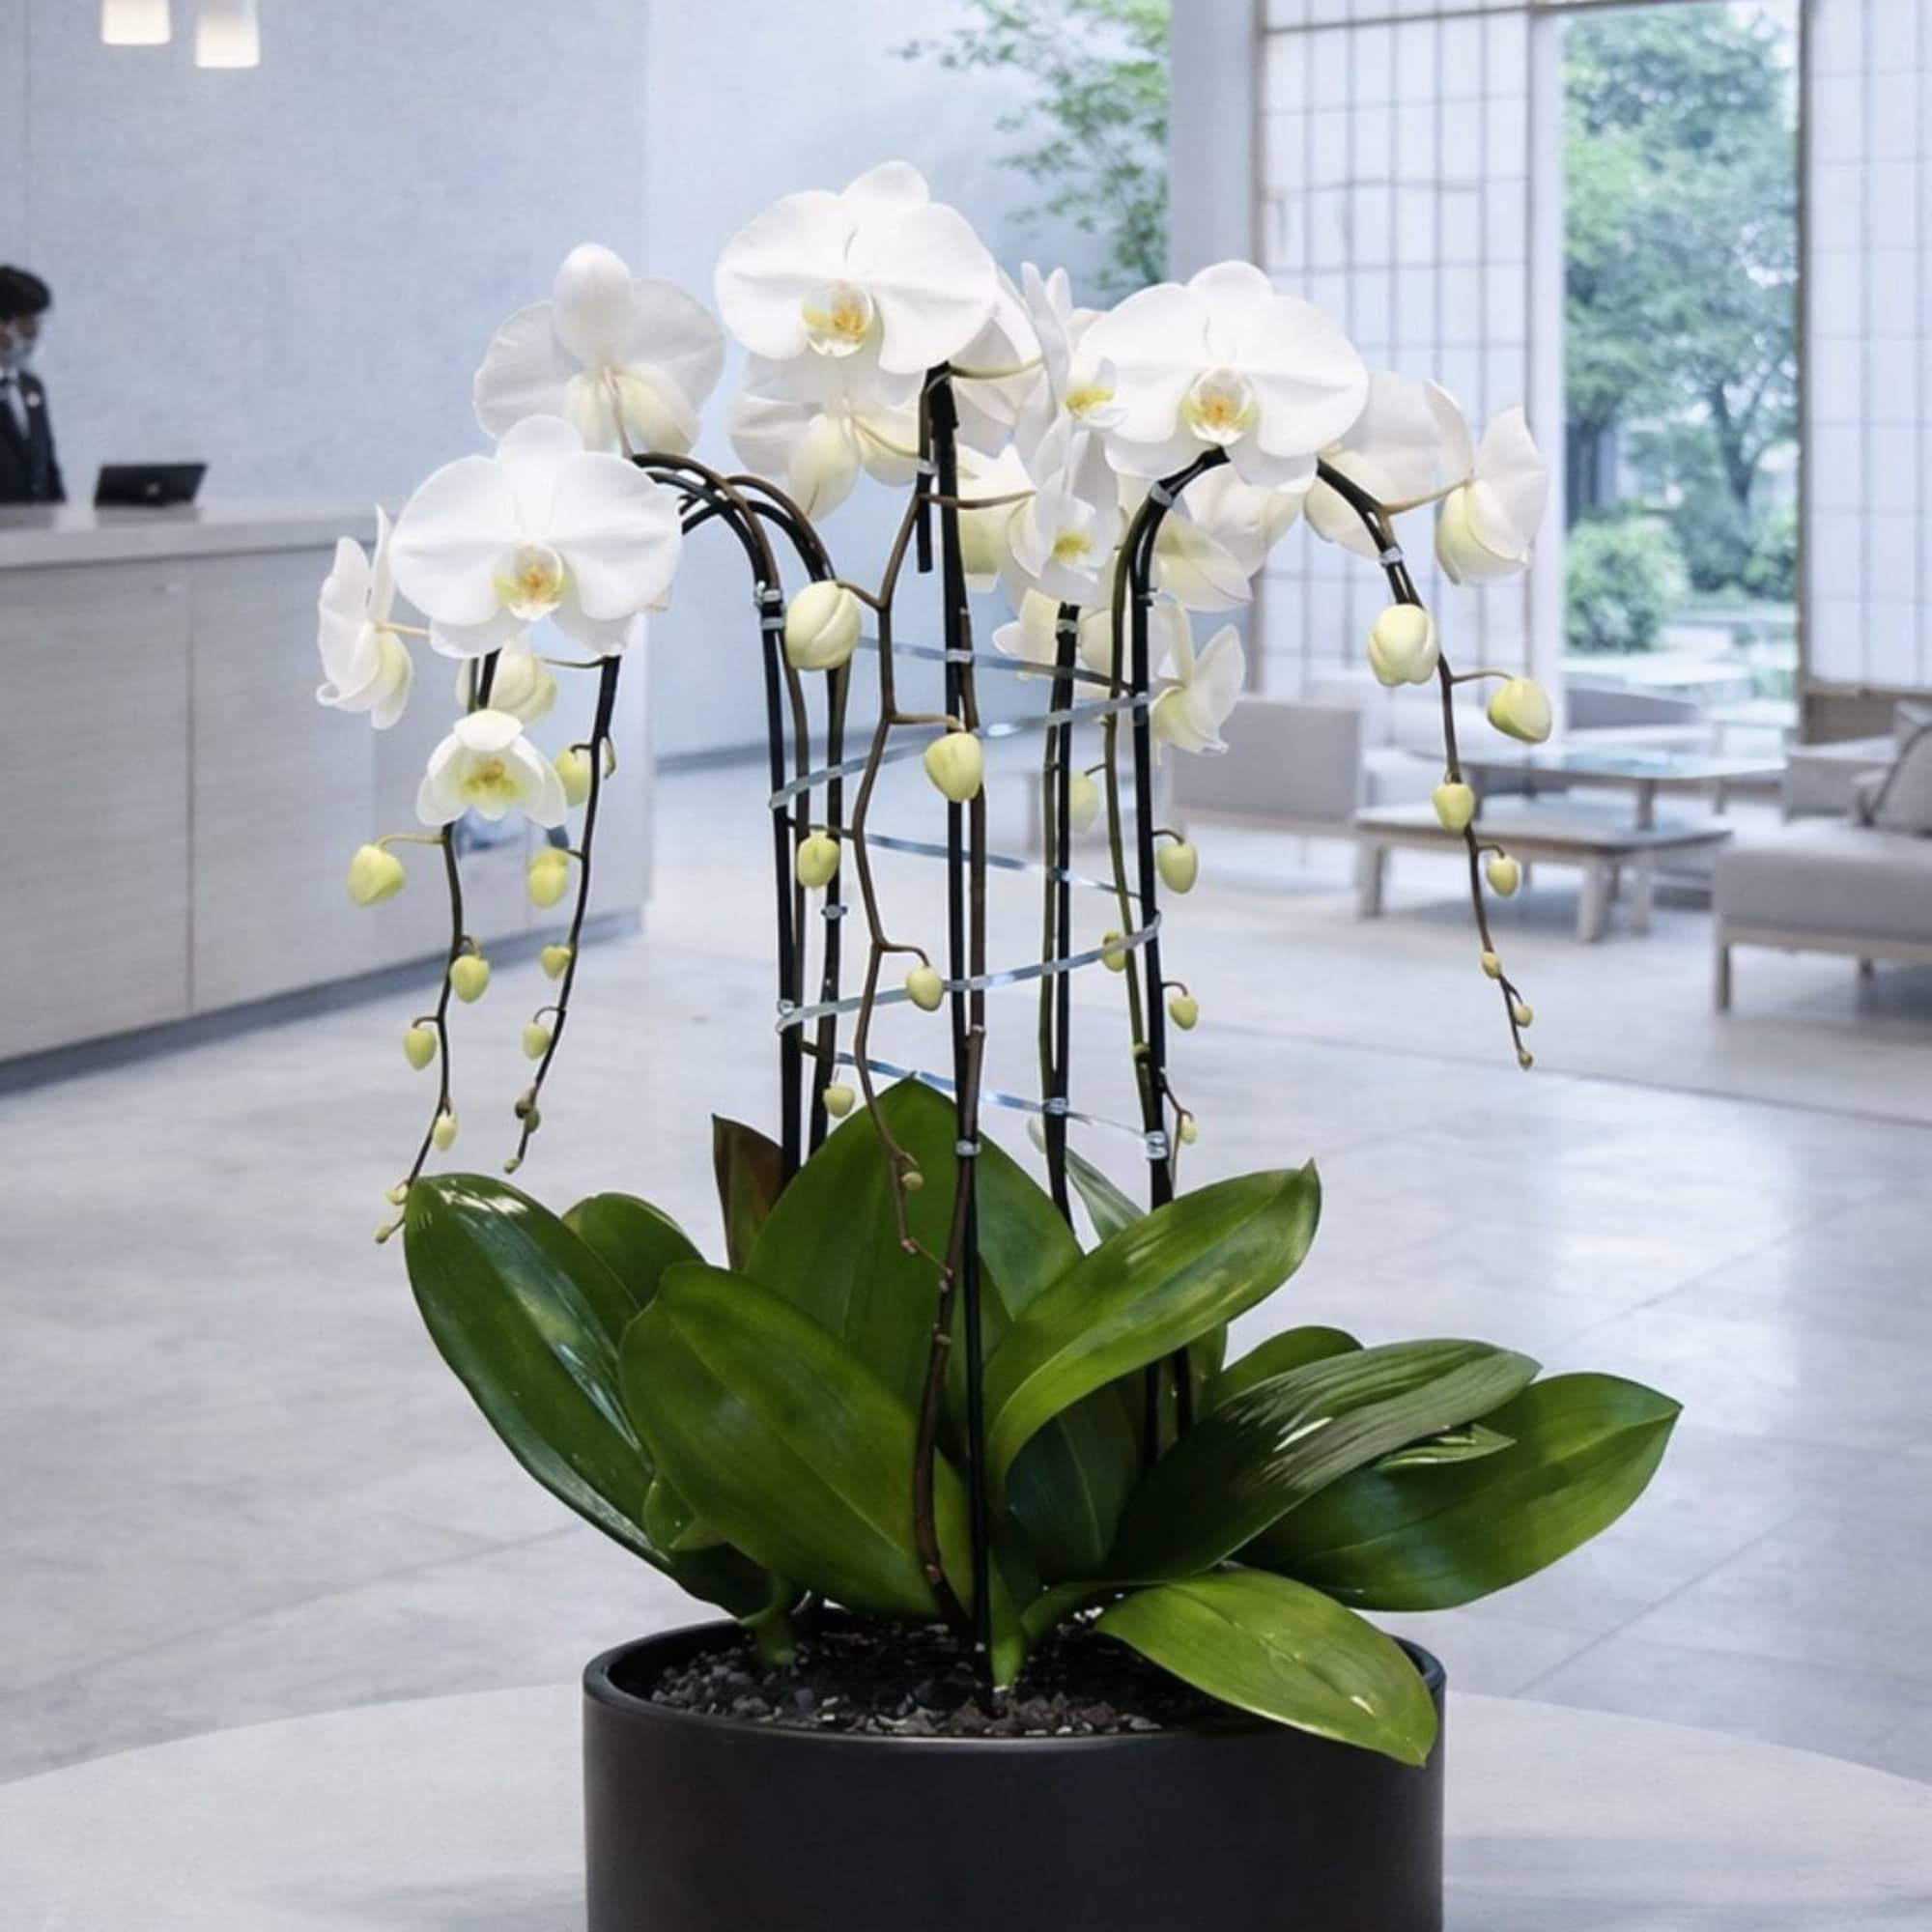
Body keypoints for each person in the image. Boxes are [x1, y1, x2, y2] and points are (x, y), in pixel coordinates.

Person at [0, 267, 66, 505]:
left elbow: (48, 473)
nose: (34, 336)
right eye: (26, 325)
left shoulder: (31, 388)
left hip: (36, 526)